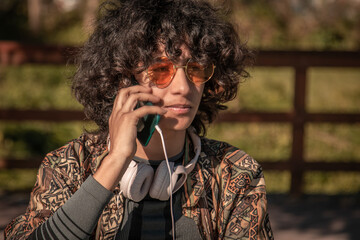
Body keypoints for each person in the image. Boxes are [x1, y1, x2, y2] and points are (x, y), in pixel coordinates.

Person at [5, 0, 274, 239]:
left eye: (196, 69)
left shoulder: (236, 174)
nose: (183, 87)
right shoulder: (68, 165)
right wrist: (113, 164)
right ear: (123, 78)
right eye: (160, 68)